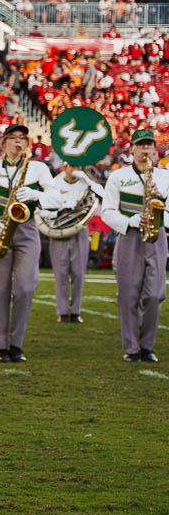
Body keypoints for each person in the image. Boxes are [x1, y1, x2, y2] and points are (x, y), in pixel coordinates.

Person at [0, 123, 51, 363]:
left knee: (26, 287)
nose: (18, 142)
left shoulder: (37, 168)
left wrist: (37, 195)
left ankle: (17, 342)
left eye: (22, 138)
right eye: (13, 138)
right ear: (3, 143)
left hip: (26, 231)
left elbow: (56, 198)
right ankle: (1, 345)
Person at [100, 129, 167, 363]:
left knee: (156, 295)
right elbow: (107, 211)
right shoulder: (118, 177)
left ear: (154, 149)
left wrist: (162, 205)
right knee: (128, 295)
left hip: (157, 236)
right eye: (141, 145)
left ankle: (147, 345)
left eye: (149, 145)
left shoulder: (165, 177)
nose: (145, 149)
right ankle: (131, 347)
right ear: (132, 149)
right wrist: (129, 220)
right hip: (129, 236)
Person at [40, 163, 101, 323]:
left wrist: (87, 180)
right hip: (59, 231)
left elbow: (103, 195)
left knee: (78, 273)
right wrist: (60, 207)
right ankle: (62, 311)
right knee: (60, 274)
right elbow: (43, 209)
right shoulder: (54, 183)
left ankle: (75, 311)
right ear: (64, 167)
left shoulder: (84, 182)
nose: (75, 170)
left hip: (80, 229)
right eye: (72, 166)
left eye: (78, 167)